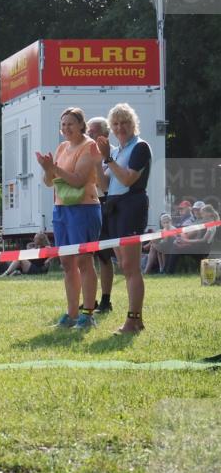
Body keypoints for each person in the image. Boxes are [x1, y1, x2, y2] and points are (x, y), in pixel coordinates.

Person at [36, 107, 102, 329]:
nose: (66, 128)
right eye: (63, 124)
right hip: (61, 209)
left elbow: (77, 180)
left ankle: (88, 313)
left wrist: (54, 168)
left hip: (84, 209)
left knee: (84, 261)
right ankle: (72, 313)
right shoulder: (62, 147)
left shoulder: (89, 146)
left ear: (81, 125)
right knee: (66, 263)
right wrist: (48, 169)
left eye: (71, 124)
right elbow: (49, 182)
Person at [96, 103, 152, 335]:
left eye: (125, 123)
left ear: (133, 124)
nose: (120, 128)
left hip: (131, 206)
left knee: (130, 267)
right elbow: (105, 185)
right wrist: (97, 160)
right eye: (116, 124)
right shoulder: (116, 151)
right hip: (114, 208)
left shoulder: (140, 147)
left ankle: (132, 320)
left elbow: (128, 179)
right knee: (125, 267)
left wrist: (108, 160)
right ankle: (136, 321)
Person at [87, 116, 116, 314]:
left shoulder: (113, 154)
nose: (89, 135)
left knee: (104, 256)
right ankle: (90, 299)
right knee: (87, 255)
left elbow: (105, 184)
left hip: (105, 205)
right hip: (87, 205)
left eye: (94, 132)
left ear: (105, 135)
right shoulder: (84, 152)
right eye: (88, 131)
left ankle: (106, 300)